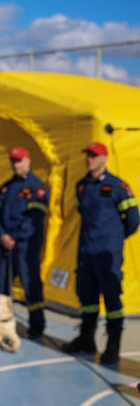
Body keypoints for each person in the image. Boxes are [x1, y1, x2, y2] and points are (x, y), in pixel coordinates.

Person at [63, 142, 138, 364]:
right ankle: (87, 339)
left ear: (104, 158)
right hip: (86, 251)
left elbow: (133, 220)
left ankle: (113, 346)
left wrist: (115, 238)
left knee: (112, 299)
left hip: (108, 253)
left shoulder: (118, 187)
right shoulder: (82, 186)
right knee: (87, 298)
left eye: (94, 156)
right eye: (88, 155)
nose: (89, 160)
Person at [0, 146, 48, 338]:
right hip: (6, 244)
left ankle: (37, 324)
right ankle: (2, 322)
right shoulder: (6, 187)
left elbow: (36, 219)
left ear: (28, 161)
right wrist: (3, 235)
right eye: (13, 161)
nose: (16, 165)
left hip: (25, 246)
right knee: (2, 284)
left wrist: (16, 237)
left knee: (30, 284)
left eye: (19, 161)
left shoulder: (37, 187)